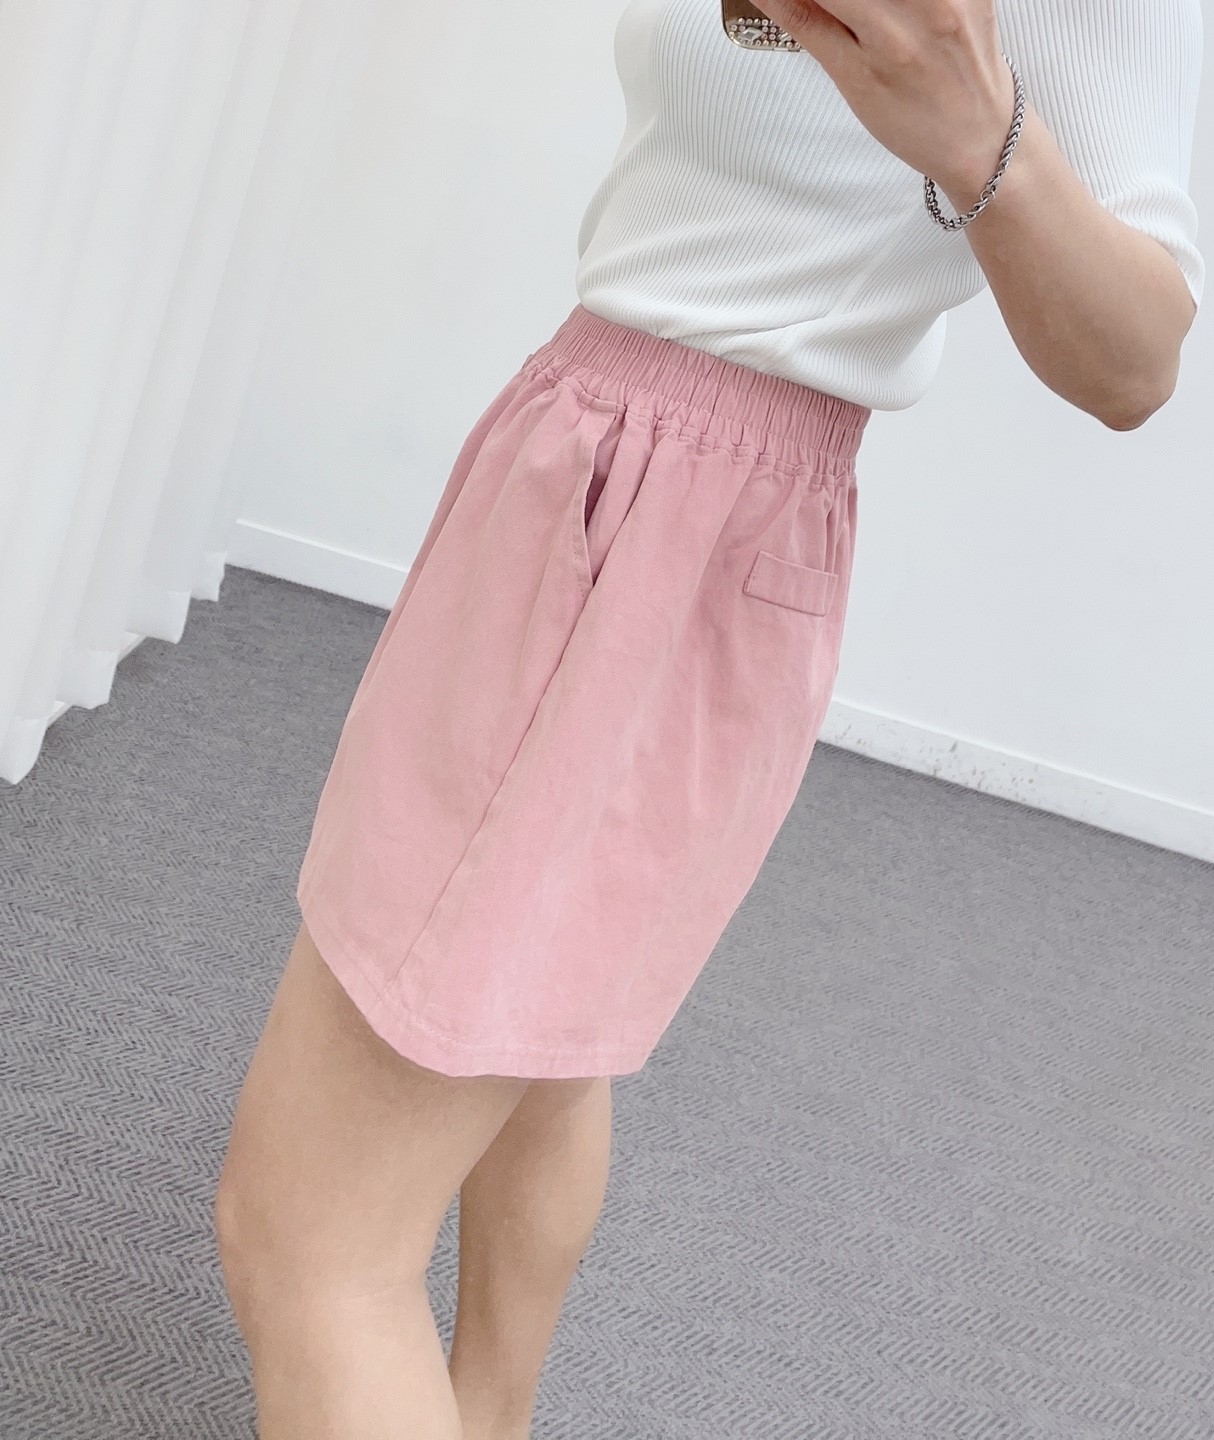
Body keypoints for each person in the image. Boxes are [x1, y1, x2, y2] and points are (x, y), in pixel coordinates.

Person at [211, 1, 1204, 1436]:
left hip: (660, 506)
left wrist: (976, 138)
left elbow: (1137, 358)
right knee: (542, 1047)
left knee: (306, 1241)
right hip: (617, 452)